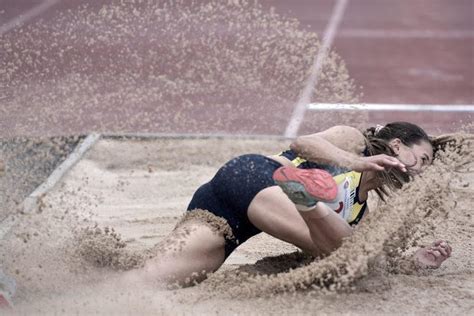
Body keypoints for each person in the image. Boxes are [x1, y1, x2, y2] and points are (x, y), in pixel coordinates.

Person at [125, 122, 452, 286]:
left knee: (148, 282)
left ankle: (86, 293)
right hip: (255, 175)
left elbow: (363, 258)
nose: (420, 171)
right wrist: (354, 162)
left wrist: (413, 264)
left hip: (229, 219)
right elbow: (303, 143)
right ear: (396, 146)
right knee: (352, 253)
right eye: (421, 159)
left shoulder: (359, 211)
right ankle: (305, 198)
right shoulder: (355, 142)